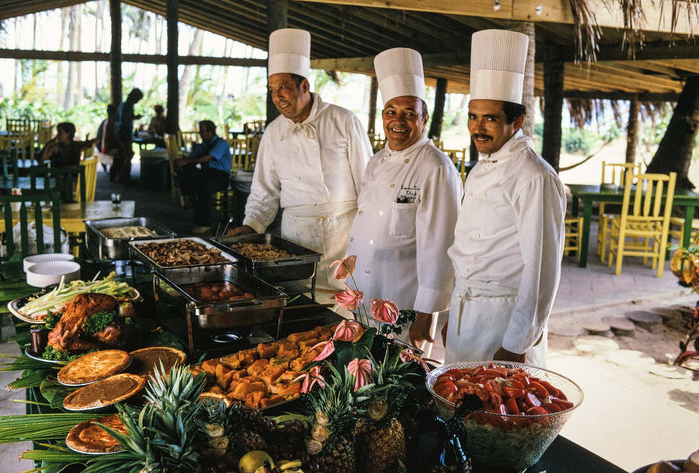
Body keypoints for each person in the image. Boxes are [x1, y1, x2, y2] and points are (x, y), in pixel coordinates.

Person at [444, 29, 566, 367]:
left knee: (499, 416)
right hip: (466, 315)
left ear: (517, 121)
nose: (477, 128)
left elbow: (542, 269)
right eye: (473, 116)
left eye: (490, 118)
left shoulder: (534, 177)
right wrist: (454, 318)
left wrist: (516, 342)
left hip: (504, 320)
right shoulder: (483, 166)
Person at [228, 28, 372, 294]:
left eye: (283, 87)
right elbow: (264, 191)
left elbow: (368, 185)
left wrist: (367, 240)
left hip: (344, 233)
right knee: (303, 303)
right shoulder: (273, 132)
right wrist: (251, 226)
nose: (277, 97)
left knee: (349, 304)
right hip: (297, 237)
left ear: (304, 85)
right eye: (272, 90)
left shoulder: (344, 121)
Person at [348, 47, 461, 354]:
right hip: (364, 295)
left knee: (396, 385)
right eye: (391, 111)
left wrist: (426, 318)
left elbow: (440, 249)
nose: (398, 120)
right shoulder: (375, 161)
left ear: (424, 119)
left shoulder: (436, 167)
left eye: (409, 113)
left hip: (404, 301)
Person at [175, 120, 231, 234]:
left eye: (202, 131)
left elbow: (208, 157)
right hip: (207, 173)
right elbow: (192, 157)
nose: (200, 133)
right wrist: (182, 162)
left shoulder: (221, 143)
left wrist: (187, 161)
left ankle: (204, 224)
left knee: (204, 187)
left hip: (220, 176)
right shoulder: (203, 145)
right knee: (185, 171)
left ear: (210, 132)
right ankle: (191, 197)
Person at [115, 87, 144, 183]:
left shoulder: (123, 104)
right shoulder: (128, 105)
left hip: (123, 132)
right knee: (128, 155)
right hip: (124, 133)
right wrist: (135, 117)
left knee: (128, 155)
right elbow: (124, 119)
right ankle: (123, 177)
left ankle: (124, 176)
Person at [95, 104, 124, 180]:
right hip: (106, 148)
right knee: (124, 153)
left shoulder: (105, 122)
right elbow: (113, 138)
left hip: (103, 147)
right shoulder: (110, 123)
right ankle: (117, 175)